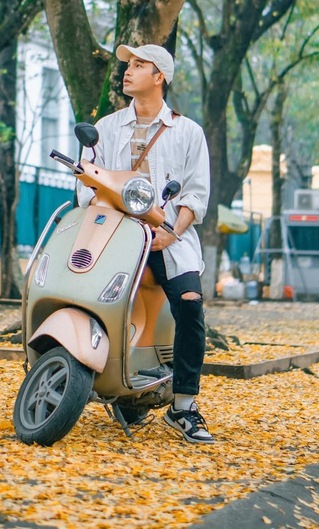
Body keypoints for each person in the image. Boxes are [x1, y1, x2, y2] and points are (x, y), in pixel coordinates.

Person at [78, 43, 214, 445]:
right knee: (89, 294)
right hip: (114, 235)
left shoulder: (188, 132)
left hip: (168, 240)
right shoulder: (105, 127)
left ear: (160, 78)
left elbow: (196, 195)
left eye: (140, 65)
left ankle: (184, 405)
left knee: (189, 302)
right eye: (128, 64)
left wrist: (170, 232)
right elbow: (87, 184)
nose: (128, 70)